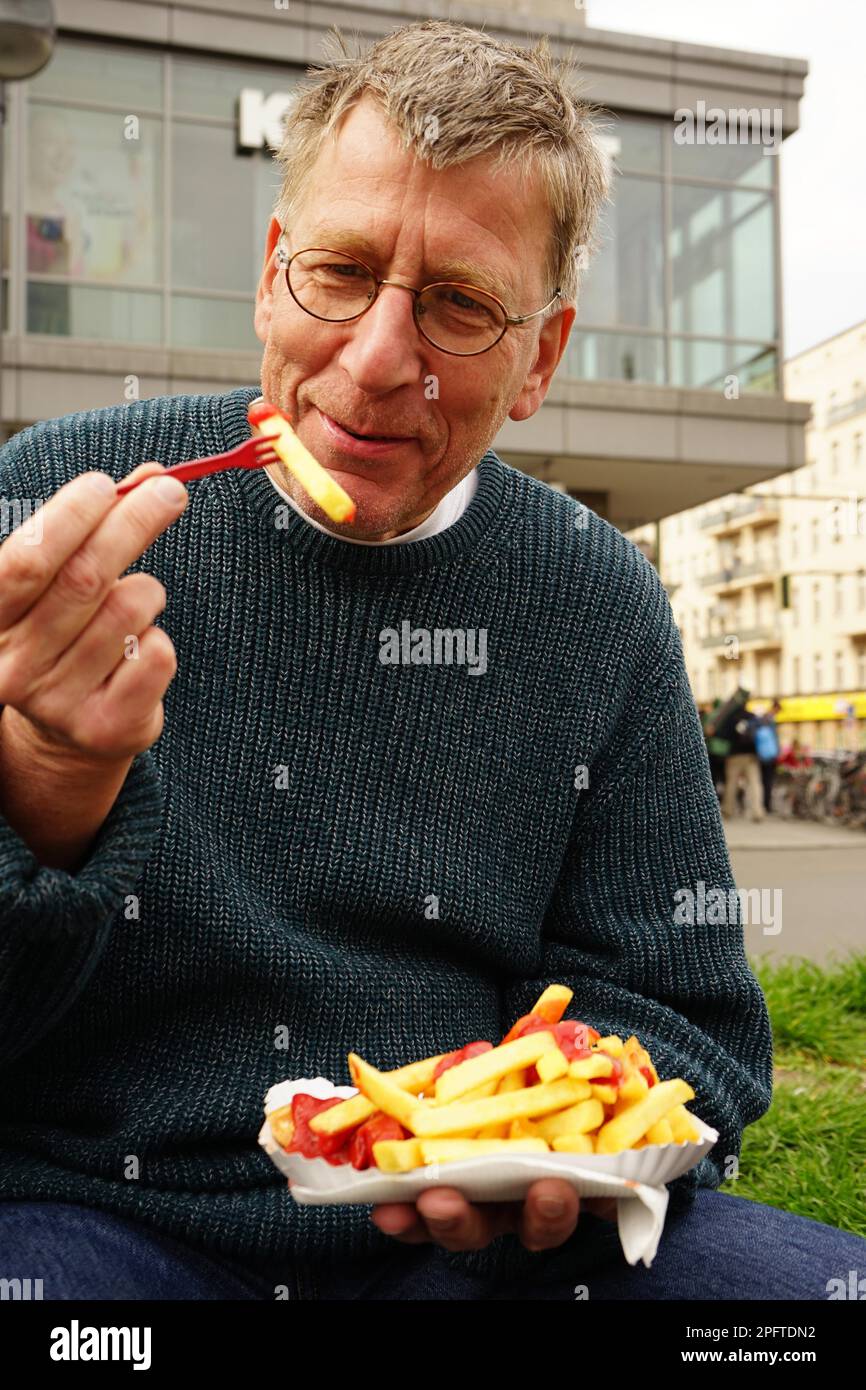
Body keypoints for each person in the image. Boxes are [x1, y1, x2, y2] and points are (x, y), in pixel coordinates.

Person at [0, 20, 863, 1300]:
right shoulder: (48, 511)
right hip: (105, 1231)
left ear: (541, 357)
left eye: (458, 305)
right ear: (269, 274)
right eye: (339, 274)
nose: (375, 359)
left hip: (482, 1245)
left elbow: (686, 1021)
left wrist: (533, 1142)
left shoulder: (596, 597)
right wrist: (41, 785)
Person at [722, 708, 765, 823]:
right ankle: (757, 812)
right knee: (754, 783)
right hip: (750, 755)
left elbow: (724, 735)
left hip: (734, 755)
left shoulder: (730, 717)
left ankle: (728, 810)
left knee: (731, 783)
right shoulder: (752, 717)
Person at [753, 699, 782, 814]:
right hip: (769, 755)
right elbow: (774, 738)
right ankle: (766, 804)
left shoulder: (762, 718)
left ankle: (764, 804)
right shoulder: (770, 720)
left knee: (763, 780)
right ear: (775, 708)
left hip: (761, 754)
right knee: (768, 780)